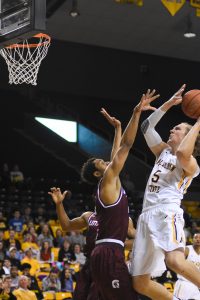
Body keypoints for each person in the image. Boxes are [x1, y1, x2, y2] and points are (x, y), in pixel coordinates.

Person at [81, 91, 158, 300]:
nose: (107, 162)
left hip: (106, 252)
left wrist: (117, 128)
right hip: (108, 252)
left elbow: (116, 152)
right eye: (102, 163)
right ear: (98, 173)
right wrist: (136, 113)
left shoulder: (110, 182)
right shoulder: (107, 181)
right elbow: (125, 147)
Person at [130, 85, 200, 300]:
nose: (172, 130)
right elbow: (145, 127)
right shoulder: (163, 152)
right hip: (146, 215)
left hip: (166, 213)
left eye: (178, 129)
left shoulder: (191, 164)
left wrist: (198, 122)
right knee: (140, 283)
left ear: (189, 137)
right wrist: (168, 104)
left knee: (175, 261)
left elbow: (182, 153)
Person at [173, 232, 200, 300]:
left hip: (196, 285)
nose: (198, 239)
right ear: (192, 239)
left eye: (199, 238)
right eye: (196, 237)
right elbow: (175, 262)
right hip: (184, 283)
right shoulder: (187, 250)